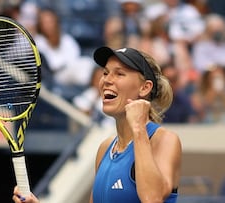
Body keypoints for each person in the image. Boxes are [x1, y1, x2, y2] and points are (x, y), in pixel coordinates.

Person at [12, 46, 182, 203]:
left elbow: (153, 198)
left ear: (144, 88)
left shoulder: (165, 140)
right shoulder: (105, 148)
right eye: (106, 73)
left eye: (119, 73)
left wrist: (138, 129)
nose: (107, 80)